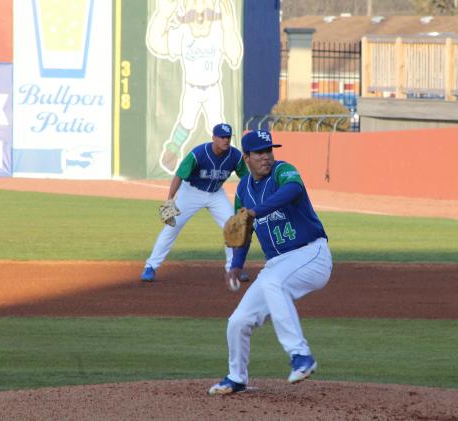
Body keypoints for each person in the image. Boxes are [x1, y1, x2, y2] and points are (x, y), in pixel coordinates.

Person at [208, 130, 333, 395]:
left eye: (269, 151)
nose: (266, 157)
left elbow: (293, 189)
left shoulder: (283, 171)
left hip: (311, 254)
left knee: (274, 283)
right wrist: (237, 263)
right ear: (247, 158)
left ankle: (301, 355)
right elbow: (244, 228)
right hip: (277, 263)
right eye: (260, 153)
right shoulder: (243, 188)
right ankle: (236, 377)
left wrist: (257, 210)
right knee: (239, 320)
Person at [141, 123, 249, 282]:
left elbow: (246, 179)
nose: (226, 140)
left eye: (228, 137)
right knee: (172, 225)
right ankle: (151, 266)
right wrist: (170, 198)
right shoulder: (199, 153)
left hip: (216, 194)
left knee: (232, 226)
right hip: (191, 192)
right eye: (222, 137)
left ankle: (234, 267)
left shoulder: (235, 156)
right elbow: (179, 175)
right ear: (214, 138)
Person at [146, 0, 243, 175]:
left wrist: (229, 28)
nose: (199, 13)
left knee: (217, 124)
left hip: (212, 88)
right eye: (193, 9)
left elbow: (234, 55)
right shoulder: (183, 33)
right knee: (186, 121)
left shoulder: (218, 32)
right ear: (184, 11)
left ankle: (231, 159)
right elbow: (156, 43)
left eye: (206, 9)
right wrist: (164, 15)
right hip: (192, 89)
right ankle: (174, 150)